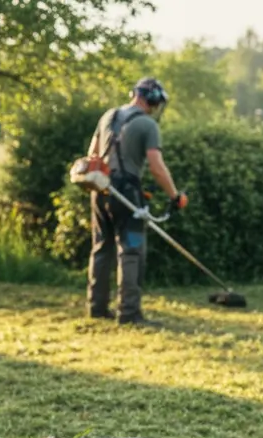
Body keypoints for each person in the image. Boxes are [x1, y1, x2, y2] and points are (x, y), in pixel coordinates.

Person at [85, 77, 188, 325]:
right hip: (127, 193)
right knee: (131, 251)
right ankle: (129, 313)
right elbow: (156, 167)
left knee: (101, 247)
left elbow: (93, 155)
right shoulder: (147, 125)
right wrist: (175, 196)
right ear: (152, 99)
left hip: (100, 190)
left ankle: (97, 308)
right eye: (157, 102)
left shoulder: (108, 116)